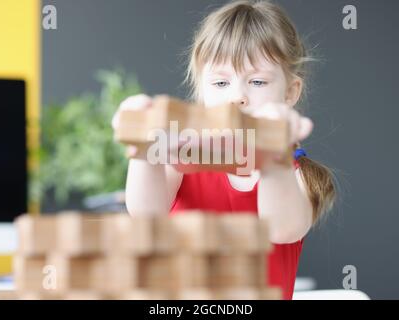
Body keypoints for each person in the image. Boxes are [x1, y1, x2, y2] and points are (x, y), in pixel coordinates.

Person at [111, 0, 336, 300]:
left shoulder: (298, 176)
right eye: (220, 82)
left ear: (290, 92)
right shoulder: (181, 158)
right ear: (201, 92)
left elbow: (281, 229)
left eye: (257, 81)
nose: (237, 97)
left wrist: (273, 154)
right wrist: (142, 147)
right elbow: (145, 211)